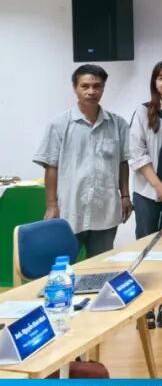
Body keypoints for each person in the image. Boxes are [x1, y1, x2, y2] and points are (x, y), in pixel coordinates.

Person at [35, 64, 131, 259]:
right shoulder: (59, 125)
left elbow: (123, 163)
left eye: (97, 86)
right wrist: (52, 205)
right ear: (75, 88)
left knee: (100, 264)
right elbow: (51, 167)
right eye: (85, 86)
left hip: (105, 209)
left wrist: (125, 196)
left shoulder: (118, 124)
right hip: (71, 209)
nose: (91, 91)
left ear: (103, 88)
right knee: (64, 265)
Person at [126, 59, 162, 328]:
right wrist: (158, 185)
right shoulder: (143, 112)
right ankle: (146, 303)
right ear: (154, 82)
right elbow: (136, 152)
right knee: (146, 244)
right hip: (147, 189)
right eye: (161, 78)